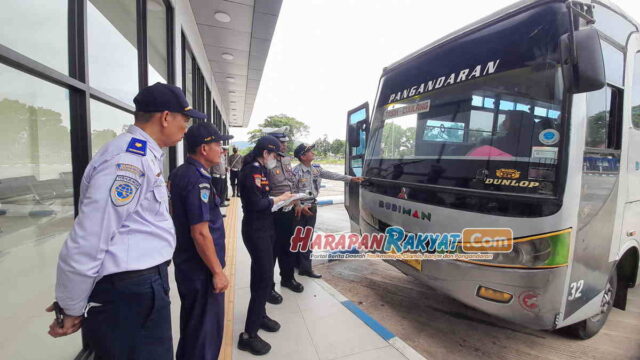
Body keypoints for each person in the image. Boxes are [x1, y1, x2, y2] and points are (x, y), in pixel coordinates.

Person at [48, 82, 205, 359]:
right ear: (166, 117)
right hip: (131, 294)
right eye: (185, 119)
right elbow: (90, 237)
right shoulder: (128, 161)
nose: (186, 128)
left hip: (138, 289)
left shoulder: (142, 155)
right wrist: (71, 305)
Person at [169, 122, 233, 360]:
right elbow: (200, 233)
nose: (222, 149)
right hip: (202, 268)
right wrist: (217, 271)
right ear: (204, 149)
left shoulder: (180, 172)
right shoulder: (198, 180)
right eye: (218, 144)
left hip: (188, 264)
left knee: (193, 328)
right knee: (205, 334)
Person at [237, 136, 293, 355]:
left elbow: (263, 197)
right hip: (256, 229)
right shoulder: (252, 170)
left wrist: (278, 199)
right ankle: (248, 335)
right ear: (266, 153)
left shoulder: (260, 169)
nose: (276, 159)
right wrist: (279, 199)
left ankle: (259, 315)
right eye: (275, 155)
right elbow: (256, 203)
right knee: (263, 278)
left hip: (266, 226)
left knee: (260, 274)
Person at [292, 143, 364, 278]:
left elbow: (333, 175)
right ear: (302, 156)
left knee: (307, 237)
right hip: (300, 208)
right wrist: (298, 205)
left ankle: (304, 267)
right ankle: (301, 266)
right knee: (300, 237)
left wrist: (351, 179)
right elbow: (291, 190)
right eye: (309, 151)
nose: (312, 152)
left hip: (312, 206)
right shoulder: (296, 172)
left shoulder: (316, 169)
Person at [265, 127, 304, 302]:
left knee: (287, 247)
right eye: (281, 143)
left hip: (288, 210)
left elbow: (291, 183)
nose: (285, 145)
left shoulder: (285, 160)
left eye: (285, 142)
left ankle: (287, 278)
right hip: (273, 212)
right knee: (271, 250)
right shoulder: (265, 161)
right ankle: (268, 287)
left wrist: (296, 202)